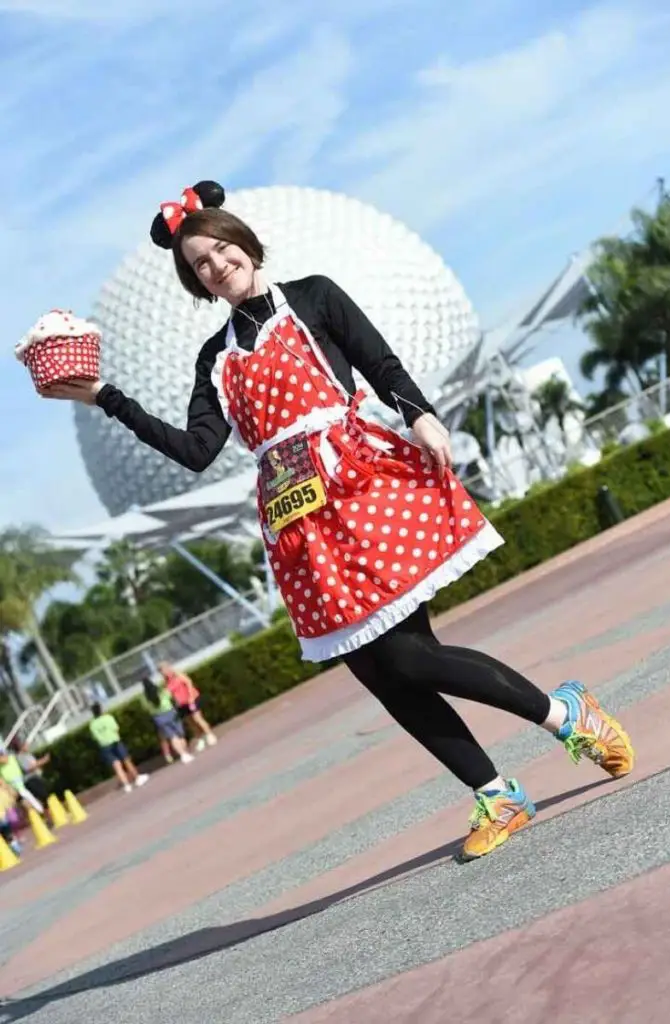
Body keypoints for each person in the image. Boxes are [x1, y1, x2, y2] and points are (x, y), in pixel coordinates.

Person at [44, 179, 634, 860]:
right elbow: (194, 451)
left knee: (409, 655)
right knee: (380, 674)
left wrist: (421, 415)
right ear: (196, 282)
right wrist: (105, 397)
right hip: (294, 517)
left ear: (242, 242)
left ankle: (567, 717)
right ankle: (496, 793)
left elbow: (379, 362)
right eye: (199, 265)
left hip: (355, 484)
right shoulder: (214, 358)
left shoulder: (315, 296)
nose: (215, 266)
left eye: (219, 250)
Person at [88, 703, 150, 794]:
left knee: (117, 766)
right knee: (126, 760)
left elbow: (95, 737)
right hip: (115, 741)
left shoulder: (92, 724)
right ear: (100, 709)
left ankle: (127, 785)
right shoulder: (108, 718)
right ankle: (137, 778)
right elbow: (116, 728)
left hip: (104, 745)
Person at [157, 662, 217, 752]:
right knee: (191, 724)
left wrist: (191, 697)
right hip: (181, 704)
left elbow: (189, 683)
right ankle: (201, 740)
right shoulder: (166, 682)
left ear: (168, 667)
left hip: (191, 700)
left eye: (164, 669)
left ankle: (210, 735)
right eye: (161, 671)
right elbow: (171, 694)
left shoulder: (178, 675)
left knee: (198, 719)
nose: (164, 672)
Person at [140, 675, 194, 765]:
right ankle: (185, 752)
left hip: (158, 717)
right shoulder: (161, 690)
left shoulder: (143, 697)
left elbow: (145, 708)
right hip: (170, 712)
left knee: (172, 736)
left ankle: (183, 754)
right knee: (180, 734)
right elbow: (170, 696)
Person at [9, 737, 52, 808]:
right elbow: (28, 767)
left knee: (45, 797)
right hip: (30, 780)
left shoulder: (27, 755)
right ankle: (48, 814)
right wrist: (43, 760)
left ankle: (47, 812)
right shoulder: (20, 757)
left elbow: (34, 765)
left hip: (36, 778)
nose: (27, 746)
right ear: (21, 747)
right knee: (44, 796)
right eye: (25, 745)